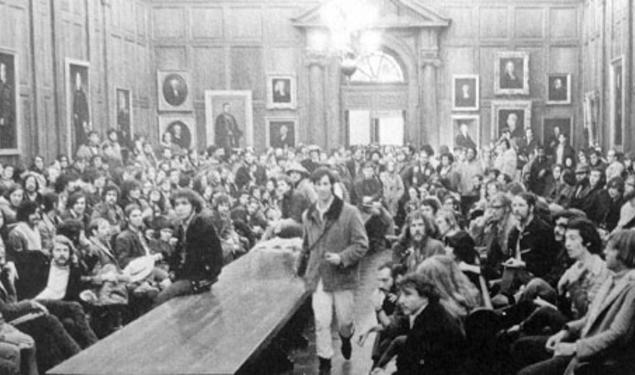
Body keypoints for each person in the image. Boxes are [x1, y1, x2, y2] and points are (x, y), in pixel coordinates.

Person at [518, 229, 635, 375]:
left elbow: (617, 333)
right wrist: (565, 332)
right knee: (522, 346)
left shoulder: (631, 286)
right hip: (584, 341)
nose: (605, 252)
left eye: (609, 249)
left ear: (623, 254)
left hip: (596, 358)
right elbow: (589, 317)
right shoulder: (613, 279)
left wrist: (574, 347)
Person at [296, 167, 368, 375]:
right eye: (318, 184)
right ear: (313, 186)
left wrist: (342, 257)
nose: (322, 188)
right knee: (322, 320)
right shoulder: (307, 214)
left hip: (342, 276)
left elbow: (362, 244)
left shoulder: (349, 212)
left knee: (344, 320)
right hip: (319, 276)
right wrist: (301, 267)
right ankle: (325, 362)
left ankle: (346, 336)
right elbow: (306, 243)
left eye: (326, 184)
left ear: (333, 185)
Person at [370, 272, 467, 375]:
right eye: (401, 294)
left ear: (425, 296)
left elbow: (421, 369)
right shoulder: (431, 311)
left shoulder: (432, 326)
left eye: (408, 294)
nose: (401, 300)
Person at [155, 189, 223, 305]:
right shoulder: (182, 226)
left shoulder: (201, 225)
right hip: (188, 273)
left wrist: (172, 279)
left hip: (201, 277)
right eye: (176, 204)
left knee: (161, 298)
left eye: (184, 203)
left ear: (194, 206)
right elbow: (178, 256)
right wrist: (171, 273)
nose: (180, 208)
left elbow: (194, 262)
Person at [72, 71, 89, 150]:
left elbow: (85, 108)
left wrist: (85, 119)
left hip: (82, 118)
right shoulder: (74, 94)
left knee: (83, 133)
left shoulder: (82, 94)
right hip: (77, 119)